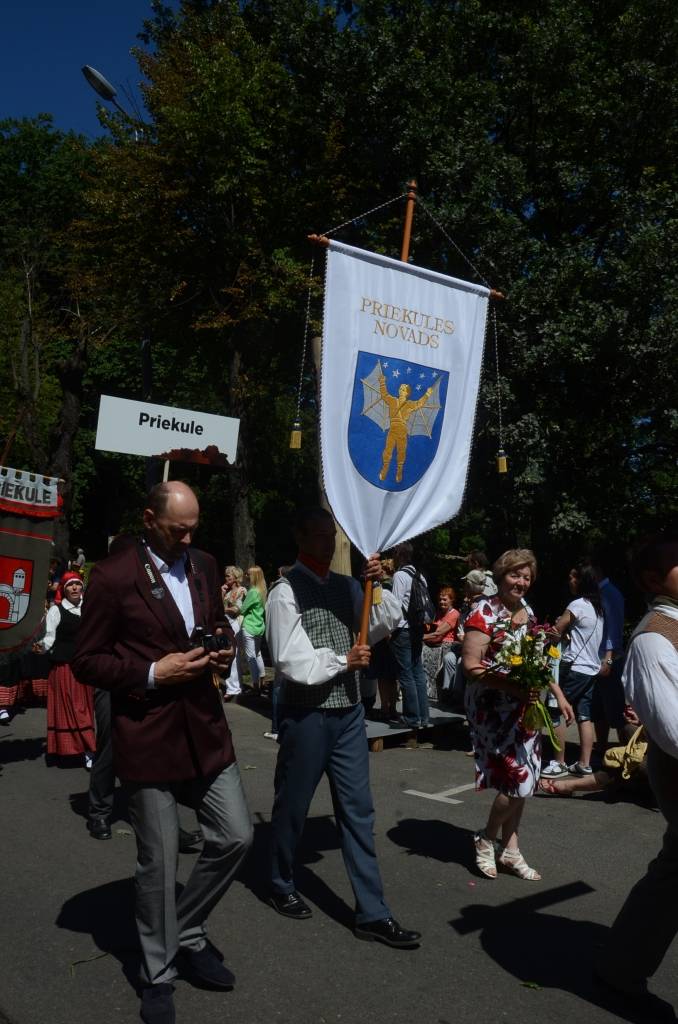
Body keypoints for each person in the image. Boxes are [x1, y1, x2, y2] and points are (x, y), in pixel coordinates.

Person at [72, 482, 252, 1024]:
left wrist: (222, 644)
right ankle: (158, 973)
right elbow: (87, 661)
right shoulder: (111, 575)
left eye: (194, 527)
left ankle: (186, 929)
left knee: (236, 835)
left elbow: (215, 621)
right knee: (159, 862)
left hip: (205, 727)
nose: (189, 537)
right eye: (179, 529)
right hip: (148, 733)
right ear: (149, 518)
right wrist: (152, 672)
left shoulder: (204, 561)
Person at [265, 506, 421, 949]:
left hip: (349, 712)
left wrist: (377, 584)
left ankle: (372, 912)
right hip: (308, 713)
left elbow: (381, 625)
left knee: (358, 811)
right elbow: (289, 658)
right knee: (293, 806)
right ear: (299, 538)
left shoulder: (349, 586)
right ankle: (279, 882)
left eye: (330, 535)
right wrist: (341, 661)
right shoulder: (284, 590)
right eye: (317, 535)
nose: (327, 543)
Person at [593, 531, 678, 1021]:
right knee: (672, 877)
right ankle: (618, 973)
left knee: (673, 877)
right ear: (652, 579)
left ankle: (619, 969)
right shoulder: (652, 639)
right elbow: (672, 730)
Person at [462, 549, 573, 881]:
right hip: (492, 711)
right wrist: (512, 688)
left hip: (524, 706)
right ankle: (486, 837)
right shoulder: (484, 611)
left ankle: (510, 848)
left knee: (529, 775)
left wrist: (559, 695)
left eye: (526, 577)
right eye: (515, 575)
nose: (521, 582)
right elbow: (470, 666)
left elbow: (537, 661)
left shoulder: (527, 610)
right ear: (500, 576)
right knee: (517, 780)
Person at [542, 563, 604, 779]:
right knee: (583, 714)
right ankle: (584, 763)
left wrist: (552, 636)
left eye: (572, 577)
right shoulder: (598, 607)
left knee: (556, 710)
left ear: (581, 580)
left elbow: (556, 630)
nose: (569, 581)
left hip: (573, 667)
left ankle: (558, 763)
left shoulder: (576, 604)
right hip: (591, 668)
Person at [43, 573, 95, 767]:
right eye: (70, 585)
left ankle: (87, 749)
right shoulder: (56, 611)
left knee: (86, 708)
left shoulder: (89, 609)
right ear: (64, 589)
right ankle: (88, 748)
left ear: (82, 588)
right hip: (64, 666)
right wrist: (36, 647)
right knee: (73, 708)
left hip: (86, 666)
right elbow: (49, 637)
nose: (74, 588)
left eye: (77, 585)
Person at [587, 559, 628, 749]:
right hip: (598, 659)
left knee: (616, 708)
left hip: (609, 659)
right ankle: (601, 747)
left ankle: (627, 751)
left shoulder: (610, 593)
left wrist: (609, 658)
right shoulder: (599, 593)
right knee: (598, 709)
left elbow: (614, 629)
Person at [390, 542, 431, 728]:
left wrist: (390, 630)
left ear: (398, 555)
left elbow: (396, 605)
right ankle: (423, 716)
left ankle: (412, 718)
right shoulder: (420, 575)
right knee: (418, 671)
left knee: (405, 673)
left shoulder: (399, 575)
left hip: (403, 628)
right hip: (418, 628)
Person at [422, 586, 460, 699]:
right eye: (440, 600)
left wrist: (421, 637)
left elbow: (438, 632)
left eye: (445, 599)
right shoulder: (439, 613)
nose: (441, 602)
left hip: (445, 645)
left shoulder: (454, 614)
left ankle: (435, 692)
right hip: (434, 642)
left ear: (452, 600)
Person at [221, 565, 247, 700]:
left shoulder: (242, 590)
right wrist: (221, 593)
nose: (226, 578)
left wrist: (223, 610)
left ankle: (234, 688)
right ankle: (234, 686)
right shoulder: (227, 592)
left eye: (228, 576)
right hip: (226, 624)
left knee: (234, 655)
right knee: (229, 655)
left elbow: (237, 609)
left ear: (235, 578)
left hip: (236, 624)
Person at [240, 565, 267, 693]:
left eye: (247, 574)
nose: (245, 576)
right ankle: (263, 680)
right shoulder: (262, 591)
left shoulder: (252, 592)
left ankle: (255, 686)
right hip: (259, 626)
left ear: (253, 576)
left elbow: (242, 609)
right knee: (257, 654)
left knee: (251, 657)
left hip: (250, 627)